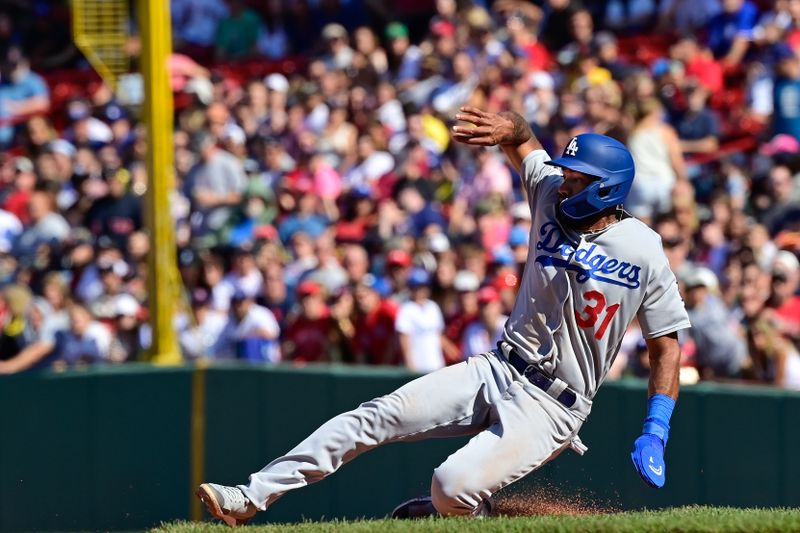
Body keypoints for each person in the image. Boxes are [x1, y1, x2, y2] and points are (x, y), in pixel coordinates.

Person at [196, 108, 691, 525]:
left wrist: (657, 428)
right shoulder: (547, 192)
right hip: (499, 365)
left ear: (606, 189)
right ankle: (251, 496)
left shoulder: (643, 249)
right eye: (565, 173)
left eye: (578, 179)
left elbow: (666, 344)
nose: (564, 184)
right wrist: (507, 129)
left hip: (553, 405)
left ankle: (465, 516)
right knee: (376, 415)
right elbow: (524, 139)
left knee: (449, 487)